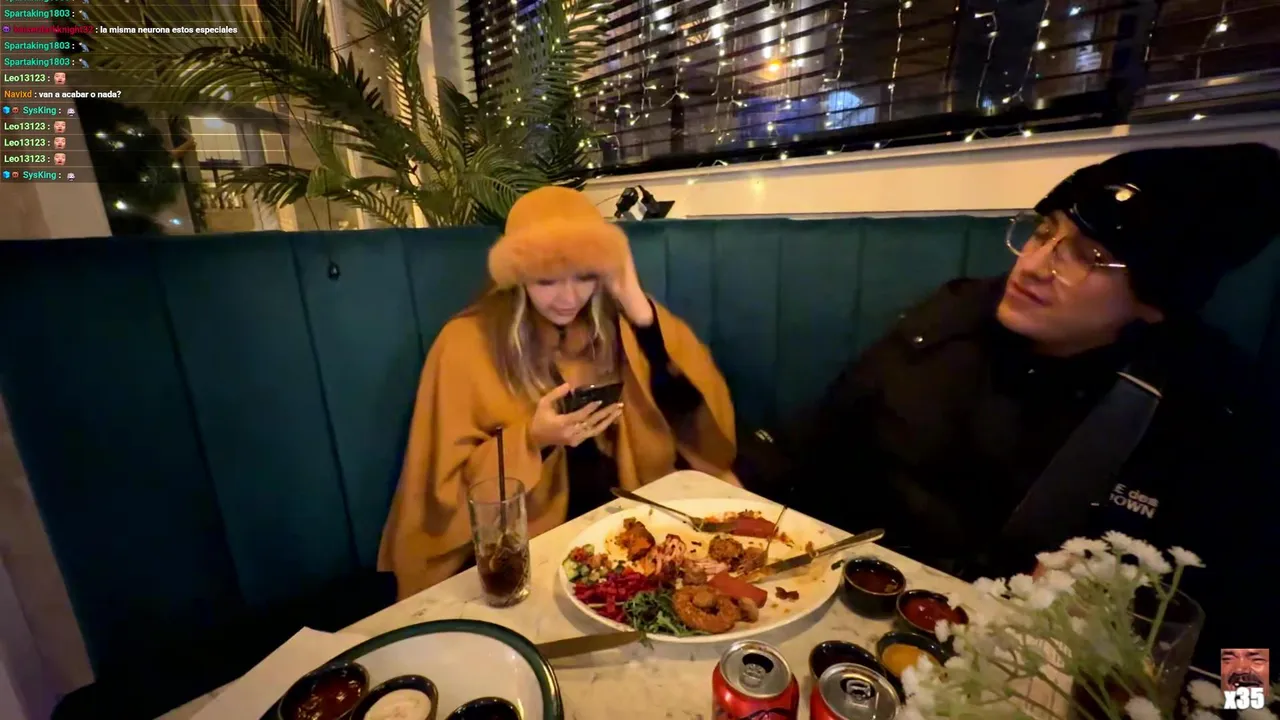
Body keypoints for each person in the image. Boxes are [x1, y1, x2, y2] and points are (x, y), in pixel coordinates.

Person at [740, 144, 1280, 672]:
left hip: (1022, 670)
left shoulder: (1207, 411)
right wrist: (731, 490)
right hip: (856, 612)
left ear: (1157, 301)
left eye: (1088, 257)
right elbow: (817, 437)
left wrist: (1242, 704)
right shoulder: (952, 319)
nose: (1035, 265)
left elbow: (1243, 627)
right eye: (1045, 232)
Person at [379, 186, 738, 598]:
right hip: (522, 542)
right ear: (519, 277)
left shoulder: (614, 320)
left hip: (618, 523)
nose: (569, 298)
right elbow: (442, 495)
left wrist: (639, 309)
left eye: (585, 276)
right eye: (547, 281)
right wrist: (535, 440)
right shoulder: (465, 342)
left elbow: (693, 413)